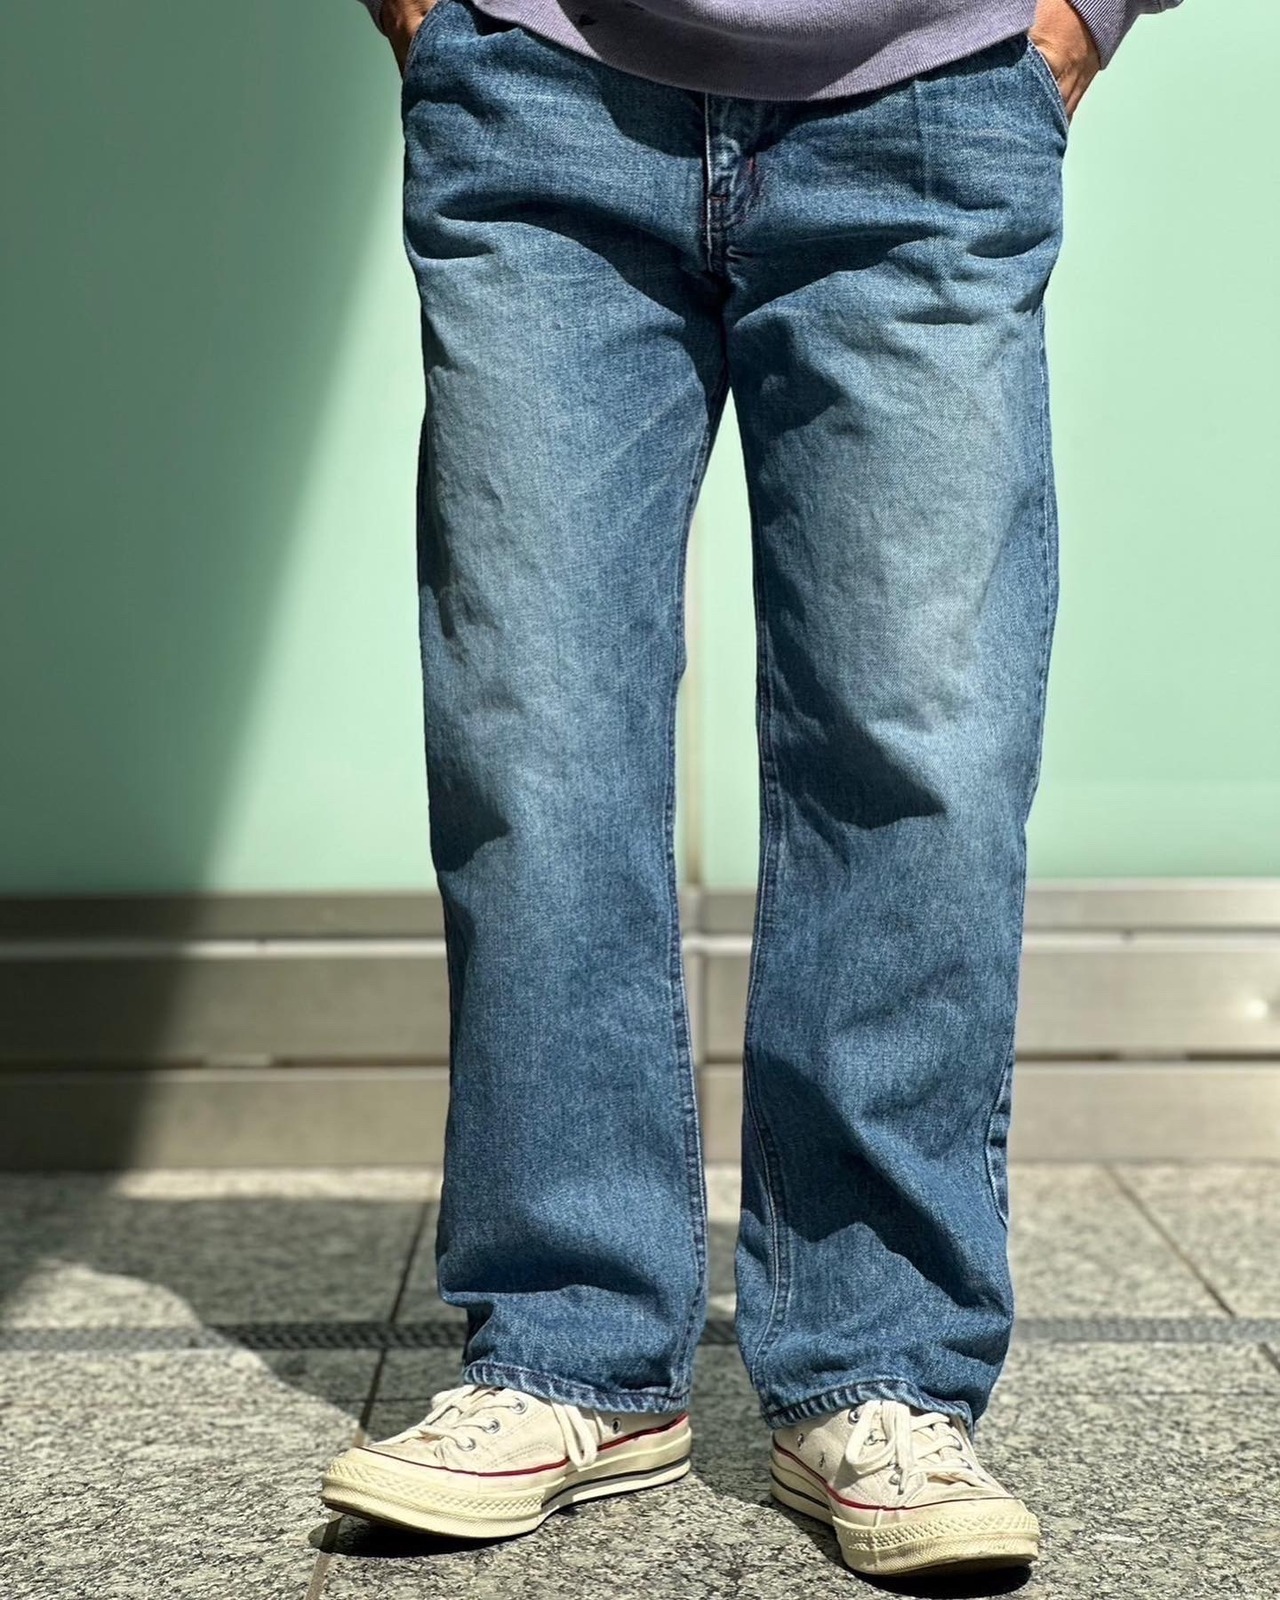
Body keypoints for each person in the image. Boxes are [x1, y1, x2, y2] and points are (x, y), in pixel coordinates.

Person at [320, 0, 1180, 1578]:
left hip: (932, 106)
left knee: (916, 746)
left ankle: (880, 1362)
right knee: (533, 737)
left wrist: (1086, 15)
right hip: (538, 93)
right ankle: (567, 1348)